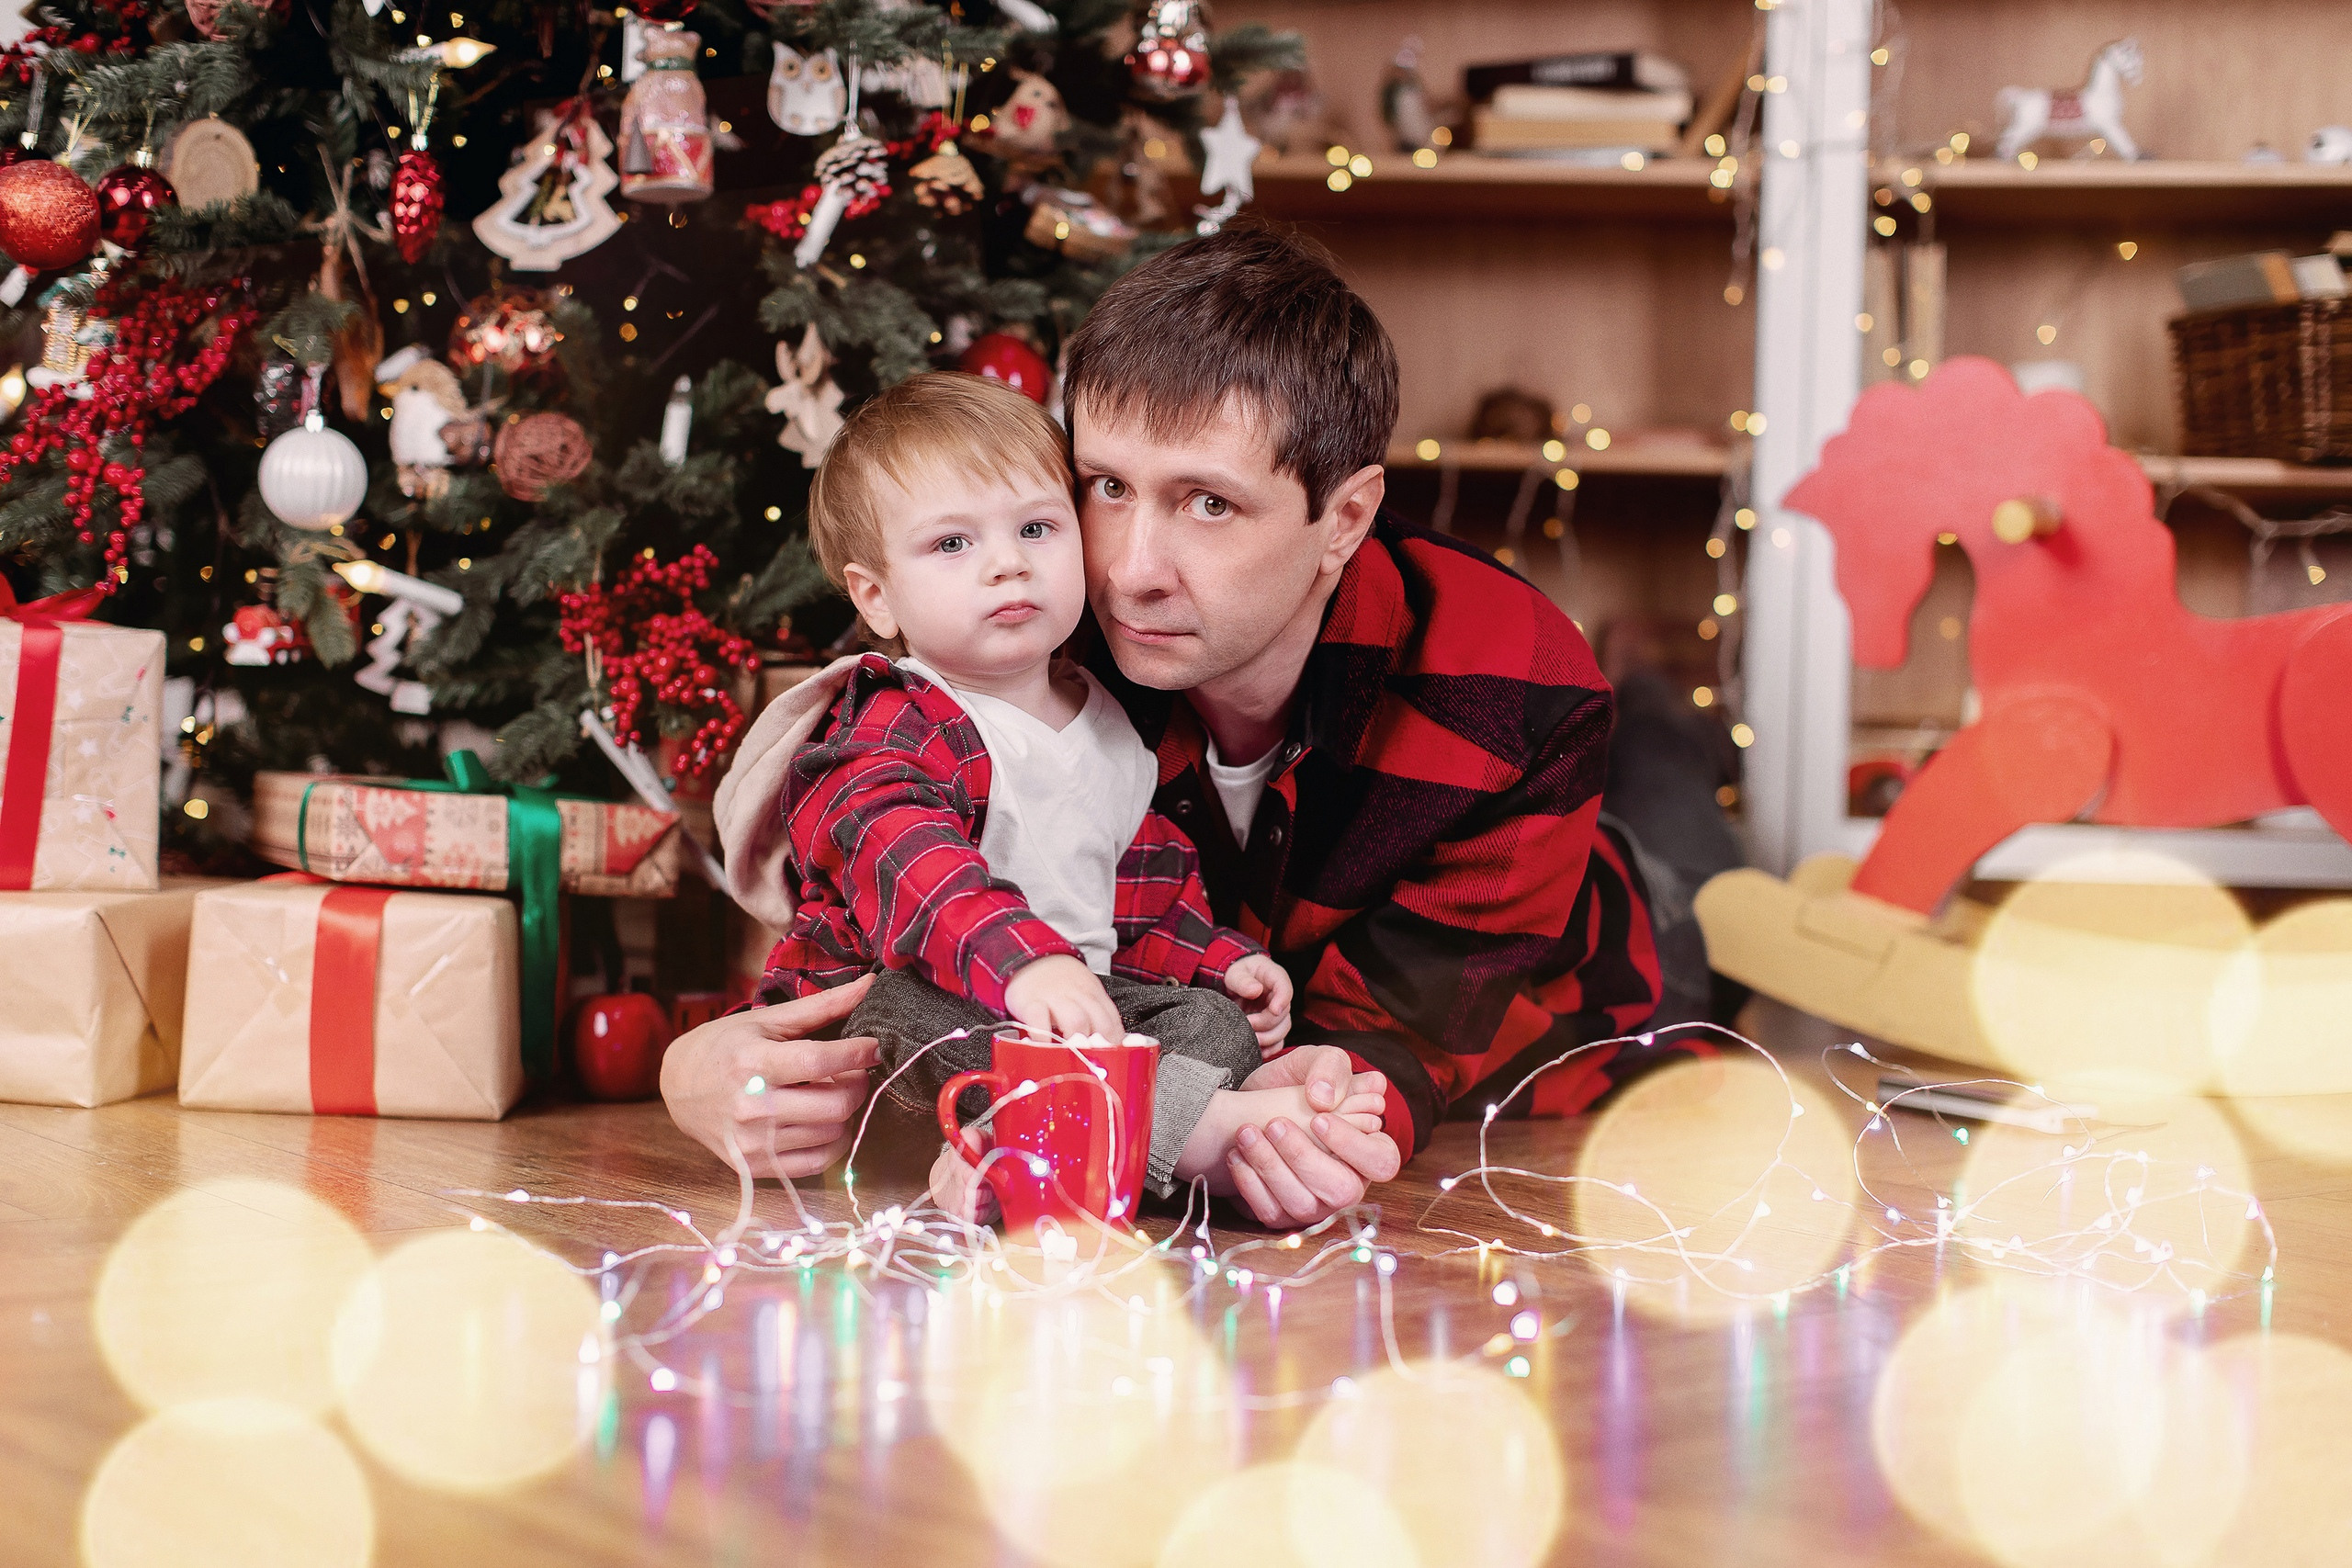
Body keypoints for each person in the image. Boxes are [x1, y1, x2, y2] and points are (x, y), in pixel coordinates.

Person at [673, 220, 1690, 1225]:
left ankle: (1667, 739)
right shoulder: (1028, 614)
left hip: (1581, 961)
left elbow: (1391, 1051)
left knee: (1684, 835)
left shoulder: (1517, 695)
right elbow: (876, 881)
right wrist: (695, 1069)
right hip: (1118, 1034)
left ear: (1343, 519)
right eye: (1109, 487)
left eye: (1208, 504)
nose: (1130, 570)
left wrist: (1294, 1102)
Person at [716, 371, 1387, 1217]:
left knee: (1212, 1021)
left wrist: (1218, 963)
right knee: (910, 1009)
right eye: (952, 544)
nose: (1008, 564)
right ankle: (1188, 1134)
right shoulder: (895, 721)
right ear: (877, 597)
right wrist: (1025, 961)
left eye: (1036, 528)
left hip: (1063, 1023)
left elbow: (1139, 894)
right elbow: (912, 862)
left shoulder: (1108, 726)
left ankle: (1017, 1158)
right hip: (901, 1042)